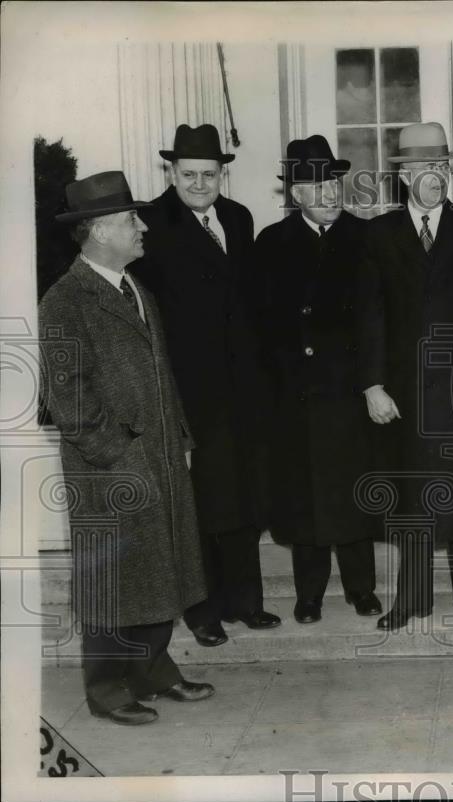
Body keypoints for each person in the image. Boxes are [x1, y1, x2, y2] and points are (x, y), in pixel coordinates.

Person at [40, 171, 213, 725]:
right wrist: (119, 454)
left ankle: (153, 670)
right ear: (96, 232)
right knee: (111, 578)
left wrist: (180, 438)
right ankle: (107, 686)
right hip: (109, 467)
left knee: (161, 568)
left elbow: (163, 374)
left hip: (159, 455)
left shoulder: (137, 288)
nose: (142, 227)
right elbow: (67, 398)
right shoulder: (66, 300)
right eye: (129, 220)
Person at [133, 124, 279, 646]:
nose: (199, 183)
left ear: (223, 174)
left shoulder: (238, 218)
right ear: (171, 173)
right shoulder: (149, 222)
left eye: (209, 174)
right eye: (189, 174)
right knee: (202, 507)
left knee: (244, 498)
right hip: (191, 393)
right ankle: (203, 613)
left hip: (243, 391)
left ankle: (247, 603)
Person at [358, 121, 453, 631]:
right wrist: (372, 384)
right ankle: (412, 600)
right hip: (404, 394)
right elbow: (369, 315)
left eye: (441, 166)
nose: (434, 176)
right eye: (422, 167)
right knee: (412, 498)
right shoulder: (378, 233)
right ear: (404, 176)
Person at [250, 135, 382, 624]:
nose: (327, 193)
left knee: (352, 493)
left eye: (332, 181)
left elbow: (376, 317)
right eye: (313, 184)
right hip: (297, 395)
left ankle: (361, 589)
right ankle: (309, 593)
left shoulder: (364, 237)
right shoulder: (272, 242)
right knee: (305, 499)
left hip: (350, 390)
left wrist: (373, 381)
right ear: (295, 194)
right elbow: (261, 326)